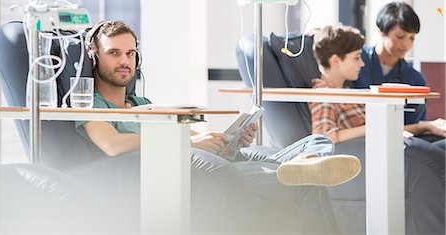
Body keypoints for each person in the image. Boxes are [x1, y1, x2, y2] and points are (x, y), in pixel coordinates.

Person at [74, 20, 361, 233]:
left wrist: (224, 136)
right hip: (183, 172)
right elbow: (112, 145)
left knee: (318, 140)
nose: (125, 61)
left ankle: (308, 159)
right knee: (307, 184)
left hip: (202, 157)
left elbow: (182, 131)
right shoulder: (91, 103)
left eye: (130, 53)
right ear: (94, 56)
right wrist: (189, 144)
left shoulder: (141, 101)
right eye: (114, 53)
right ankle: (302, 168)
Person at [309, 24, 445, 143]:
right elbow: (323, 137)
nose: (362, 63)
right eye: (357, 58)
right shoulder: (325, 95)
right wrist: (372, 128)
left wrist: (425, 126)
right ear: (335, 60)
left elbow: (380, 129)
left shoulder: (345, 93)